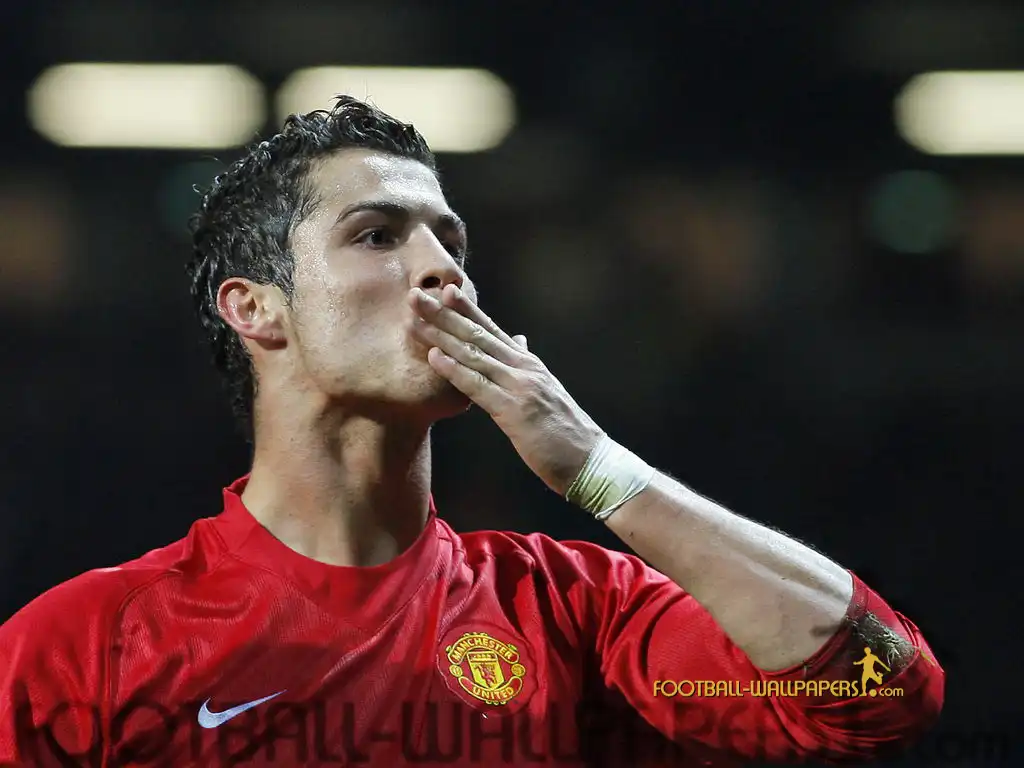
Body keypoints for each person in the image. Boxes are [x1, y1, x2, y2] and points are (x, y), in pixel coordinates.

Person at [0, 97, 943, 767]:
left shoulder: (574, 616)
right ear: (255, 308)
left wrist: (603, 471)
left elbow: (880, 691)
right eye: (378, 235)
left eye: (450, 242)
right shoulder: (84, 645)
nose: (443, 271)